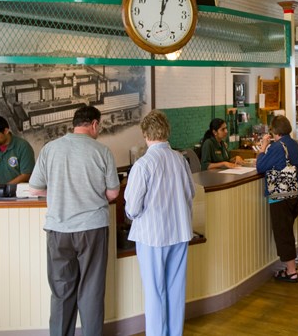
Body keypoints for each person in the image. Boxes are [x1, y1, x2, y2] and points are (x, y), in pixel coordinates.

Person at [29, 105, 120, 336]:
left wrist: (59, 192)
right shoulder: (102, 151)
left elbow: (34, 189)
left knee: (61, 292)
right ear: (94, 124)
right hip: (92, 229)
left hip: (58, 229)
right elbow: (113, 194)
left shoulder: (50, 149)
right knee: (91, 291)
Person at [124, 110, 195, 336]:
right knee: (176, 290)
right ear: (167, 131)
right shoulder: (180, 160)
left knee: (155, 292)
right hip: (179, 231)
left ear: (145, 135)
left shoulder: (143, 165)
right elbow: (190, 193)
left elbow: (133, 208)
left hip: (152, 236)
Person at [256, 115, 298, 283]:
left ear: (274, 130)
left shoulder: (277, 147)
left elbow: (260, 166)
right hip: (295, 194)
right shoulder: (293, 144)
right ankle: (291, 268)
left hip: (280, 196)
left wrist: (263, 147)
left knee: (283, 234)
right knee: (287, 231)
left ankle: (291, 272)